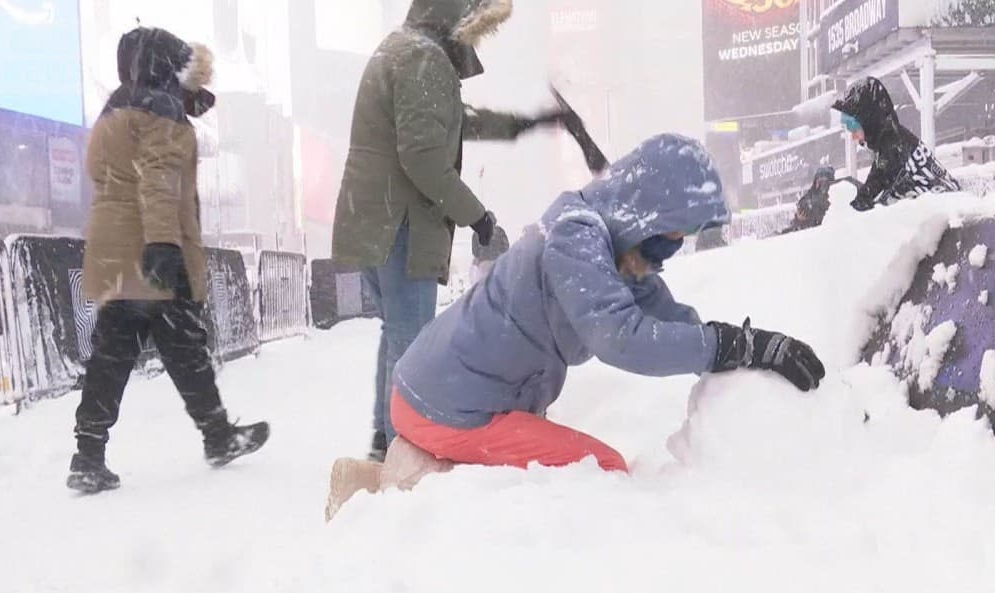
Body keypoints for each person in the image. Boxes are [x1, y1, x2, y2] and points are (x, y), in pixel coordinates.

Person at [325, 134, 827, 519]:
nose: (673, 248)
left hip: (444, 393)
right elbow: (622, 337)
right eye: (672, 233)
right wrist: (730, 347)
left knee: (560, 466)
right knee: (600, 471)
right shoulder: (576, 238)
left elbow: (667, 319)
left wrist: (745, 352)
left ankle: (384, 482)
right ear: (643, 211)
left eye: (684, 238)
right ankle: (397, 496)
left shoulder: (615, 249)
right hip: (446, 407)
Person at [332, 0, 568, 461]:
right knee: (411, 338)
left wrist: (523, 124)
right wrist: (476, 215)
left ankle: (385, 439)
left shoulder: (401, 49)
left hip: (373, 220)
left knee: (398, 331)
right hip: (401, 225)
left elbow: (453, 123)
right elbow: (422, 157)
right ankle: (400, 447)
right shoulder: (425, 59)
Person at [68, 27, 270, 494]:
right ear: (165, 67)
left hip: (117, 248)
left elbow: (111, 172)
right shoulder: (161, 109)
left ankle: (88, 452)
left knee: (119, 352)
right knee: (181, 346)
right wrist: (162, 242)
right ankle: (217, 436)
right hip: (154, 249)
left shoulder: (118, 106)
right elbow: (157, 176)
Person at [832, 77, 960, 212]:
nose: (853, 136)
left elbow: (876, 182)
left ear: (868, 121)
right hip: (937, 207)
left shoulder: (891, 144)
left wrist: (853, 209)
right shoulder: (890, 138)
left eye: (853, 127)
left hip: (944, 211)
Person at [788, 166, 837, 233]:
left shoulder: (836, 198)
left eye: (825, 182)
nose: (822, 185)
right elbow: (795, 224)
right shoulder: (807, 199)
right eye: (819, 181)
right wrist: (799, 219)